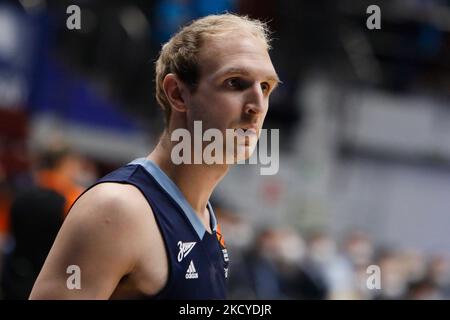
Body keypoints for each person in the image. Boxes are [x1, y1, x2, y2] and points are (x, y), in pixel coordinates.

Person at [29, 13, 279, 299]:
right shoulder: (116, 210)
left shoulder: (206, 220)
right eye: (235, 82)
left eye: (266, 87)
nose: (257, 106)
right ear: (178, 94)